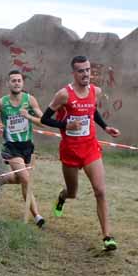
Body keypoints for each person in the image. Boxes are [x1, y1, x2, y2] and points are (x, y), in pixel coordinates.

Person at [40, 55, 122, 251]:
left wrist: (105, 127)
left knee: (100, 191)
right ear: (74, 73)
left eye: (87, 70)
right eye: (81, 71)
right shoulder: (64, 95)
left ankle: (107, 236)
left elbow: (92, 111)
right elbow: (44, 119)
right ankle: (61, 197)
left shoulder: (95, 91)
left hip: (90, 148)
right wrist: (66, 124)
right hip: (70, 150)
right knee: (72, 192)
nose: (86, 74)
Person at [0, 69, 45, 227]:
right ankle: (37, 216)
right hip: (12, 147)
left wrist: (28, 116)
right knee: (26, 179)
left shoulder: (30, 100)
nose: (16, 83)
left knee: (21, 180)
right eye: (13, 80)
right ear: (8, 83)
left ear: (22, 83)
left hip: (27, 146)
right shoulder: (1, 103)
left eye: (19, 80)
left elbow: (42, 121)